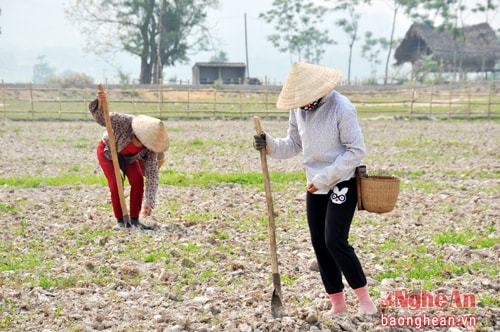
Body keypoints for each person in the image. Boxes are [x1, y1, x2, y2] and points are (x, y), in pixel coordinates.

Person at [253, 62, 377, 316]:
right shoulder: (299, 110)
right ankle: (338, 304)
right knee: (319, 243)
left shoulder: (342, 108)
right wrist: (269, 145)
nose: (304, 104)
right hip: (315, 184)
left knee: (335, 239)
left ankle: (365, 301)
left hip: (342, 180)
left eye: (307, 98)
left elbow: (356, 151)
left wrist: (326, 177)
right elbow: (293, 144)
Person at [89, 89, 169, 230]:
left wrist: (149, 201)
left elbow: (152, 174)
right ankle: (120, 220)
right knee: (116, 183)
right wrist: (100, 102)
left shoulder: (150, 148)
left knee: (138, 180)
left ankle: (134, 219)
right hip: (108, 151)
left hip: (130, 158)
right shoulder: (125, 121)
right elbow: (102, 118)